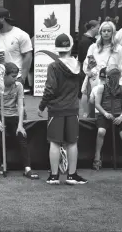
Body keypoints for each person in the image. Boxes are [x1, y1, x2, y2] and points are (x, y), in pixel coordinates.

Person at [38, 33, 88, 185]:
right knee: (72, 142)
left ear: (57, 47)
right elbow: (81, 87)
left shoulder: (53, 66)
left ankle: (54, 176)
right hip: (72, 108)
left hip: (56, 109)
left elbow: (50, 89)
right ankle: (72, 175)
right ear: (70, 46)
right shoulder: (78, 65)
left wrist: (42, 106)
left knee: (55, 143)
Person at [0, 62, 39, 179]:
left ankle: (27, 168)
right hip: (0, 117)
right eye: (13, 76)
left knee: (22, 138)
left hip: (14, 116)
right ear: (4, 76)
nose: (15, 78)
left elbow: (21, 106)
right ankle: (3, 164)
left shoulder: (19, 86)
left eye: (16, 76)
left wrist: (20, 125)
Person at [0, 8, 33, 119]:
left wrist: (23, 77)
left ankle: (20, 131)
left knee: (19, 110)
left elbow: (28, 55)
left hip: (15, 78)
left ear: (2, 19)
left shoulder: (21, 35)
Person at [94, 66, 122, 172]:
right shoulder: (101, 88)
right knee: (101, 132)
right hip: (104, 115)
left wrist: (121, 116)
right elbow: (97, 104)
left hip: (119, 116)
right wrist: (105, 113)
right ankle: (97, 158)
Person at [81, 20, 122, 106]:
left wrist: (121, 85)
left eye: (109, 31)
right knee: (93, 111)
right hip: (95, 82)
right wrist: (93, 72)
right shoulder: (93, 47)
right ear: (100, 32)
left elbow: (121, 68)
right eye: (104, 31)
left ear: (113, 33)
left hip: (113, 84)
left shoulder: (118, 49)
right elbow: (87, 64)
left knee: (109, 108)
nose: (106, 33)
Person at [79, 20, 100, 117]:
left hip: (89, 69)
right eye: (98, 27)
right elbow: (84, 58)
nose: (99, 29)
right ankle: (86, 112)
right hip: (88, 69)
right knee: (86, 92)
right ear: (92, 28)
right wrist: (89, 71)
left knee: (88, 92)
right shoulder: (86, 41)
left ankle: (88, 112)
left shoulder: (89, 40)